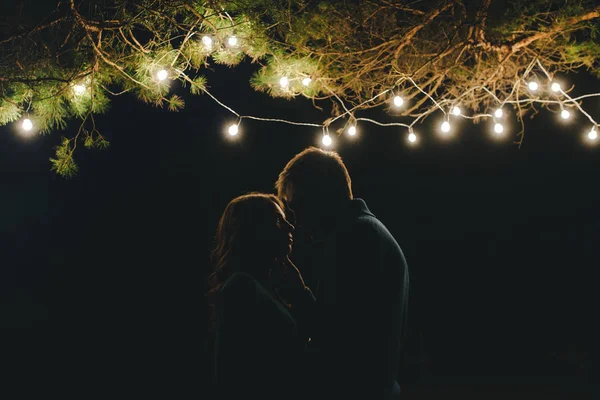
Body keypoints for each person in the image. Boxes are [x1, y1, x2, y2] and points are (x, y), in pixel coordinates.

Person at [276, 147, 410, 400]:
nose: (296, 221)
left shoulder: (354, 238)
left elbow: (337, 338)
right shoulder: (368, 231)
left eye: (297, 206)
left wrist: (298, 293)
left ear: (320, 194)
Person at [208, 193, 316, 400]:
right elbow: (229, 377)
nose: (290, 227)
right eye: (277, 220)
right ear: (250, 230)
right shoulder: (240, 287)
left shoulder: (266, 288)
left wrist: (300, 291)